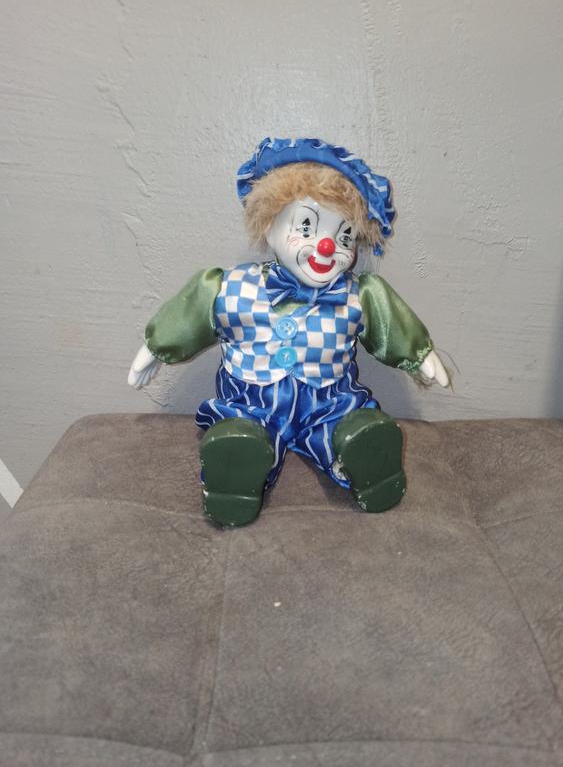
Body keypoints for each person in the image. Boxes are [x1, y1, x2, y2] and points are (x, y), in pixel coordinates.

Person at [128, 137, 449, 526]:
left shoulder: (359, 295)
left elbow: (389, 324)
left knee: (349, 427)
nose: (328, 246)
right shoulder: (229, 287)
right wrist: (156, 347)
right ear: (269, 225)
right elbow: (191, 314)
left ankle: (363, 452)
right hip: (251, 401)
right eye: (307, 226)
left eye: (345, 235)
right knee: (243, 434)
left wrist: (418, 355)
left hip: (330, 402)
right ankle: (237, 466)